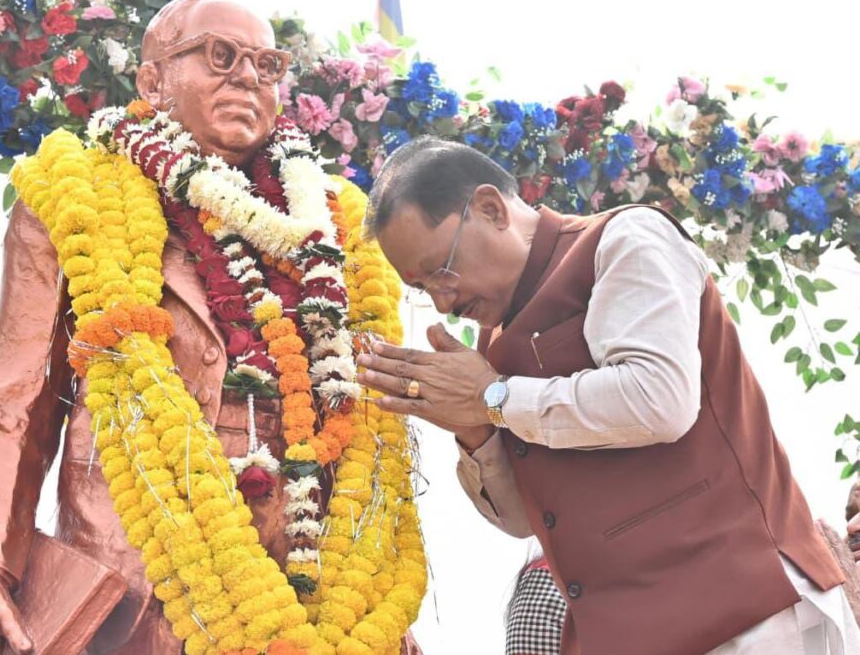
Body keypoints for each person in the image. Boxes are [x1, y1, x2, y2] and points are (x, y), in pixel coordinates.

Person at [0, 0, 420, 654]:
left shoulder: (331, 224)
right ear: (152, 81)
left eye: (267, 65)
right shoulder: (77, 197)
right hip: (136, 588)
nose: (247, 77)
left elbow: (369, 424)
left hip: (314, 599)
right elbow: (16, 401)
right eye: (220, 56)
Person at [357, 136, 860, 654]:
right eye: (422, 289)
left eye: (441, 270)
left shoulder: (625, 238)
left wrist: (494, 397)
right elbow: (525, 521)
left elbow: (659, 400)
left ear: (490, 209)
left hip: (747, 609)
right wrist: (474, 429)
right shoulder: (492, 345)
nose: (443, 302)